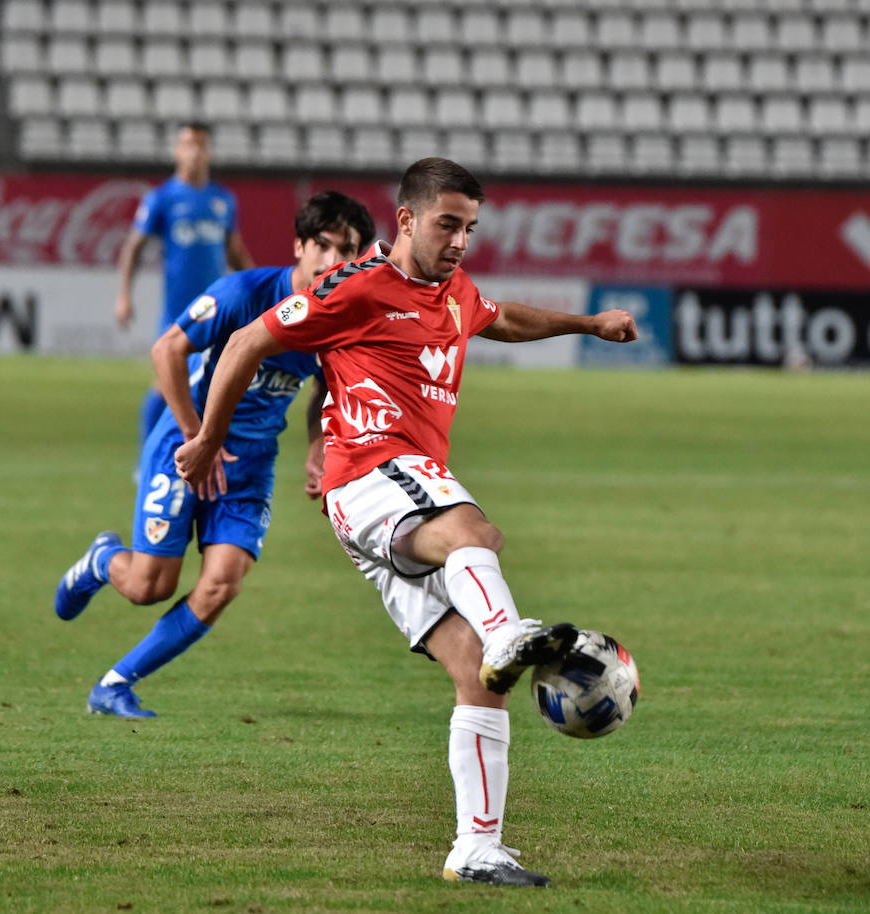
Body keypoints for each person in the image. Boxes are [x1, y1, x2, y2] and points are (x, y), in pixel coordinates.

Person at [172, 159, 637, 887]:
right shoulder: (356, 288)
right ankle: (508, 628)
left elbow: (500, 317)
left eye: (471, 228)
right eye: (449, 224)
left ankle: (476, 848)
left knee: (478, 676)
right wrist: (204, 441)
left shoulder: (453, 291)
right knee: (473, 534)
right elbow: (245, 343)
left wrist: (588, 323)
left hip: (398, 488)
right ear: (408, 221)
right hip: (369, 476)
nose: (460, 241)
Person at [56, 191, 376, 718]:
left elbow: (324, 391)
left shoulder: (338, 319)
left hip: (250, 464)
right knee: (146, 587)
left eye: (348, 251)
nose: (332, 262)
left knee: (222, 583)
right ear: (299, 245)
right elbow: (167, 350)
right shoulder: (242, 293)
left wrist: (319, 448)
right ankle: (101, 560)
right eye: (322, 245)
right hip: (183, 448)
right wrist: (194, 438)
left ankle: (114, 685)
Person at [114, 122, 257, 450]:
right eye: (188, 144)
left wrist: (259, 291)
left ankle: (205, 455)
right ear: (177, 151)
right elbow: (133, 249)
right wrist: (124, 296)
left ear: (209, 152)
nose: (195, 151)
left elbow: (235, 252)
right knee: (165, 385)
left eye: (201, 145)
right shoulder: (162, 198)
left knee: (215, 387)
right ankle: (146, 458)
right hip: (177, 310)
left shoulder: (222, 200)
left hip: (216, 310)